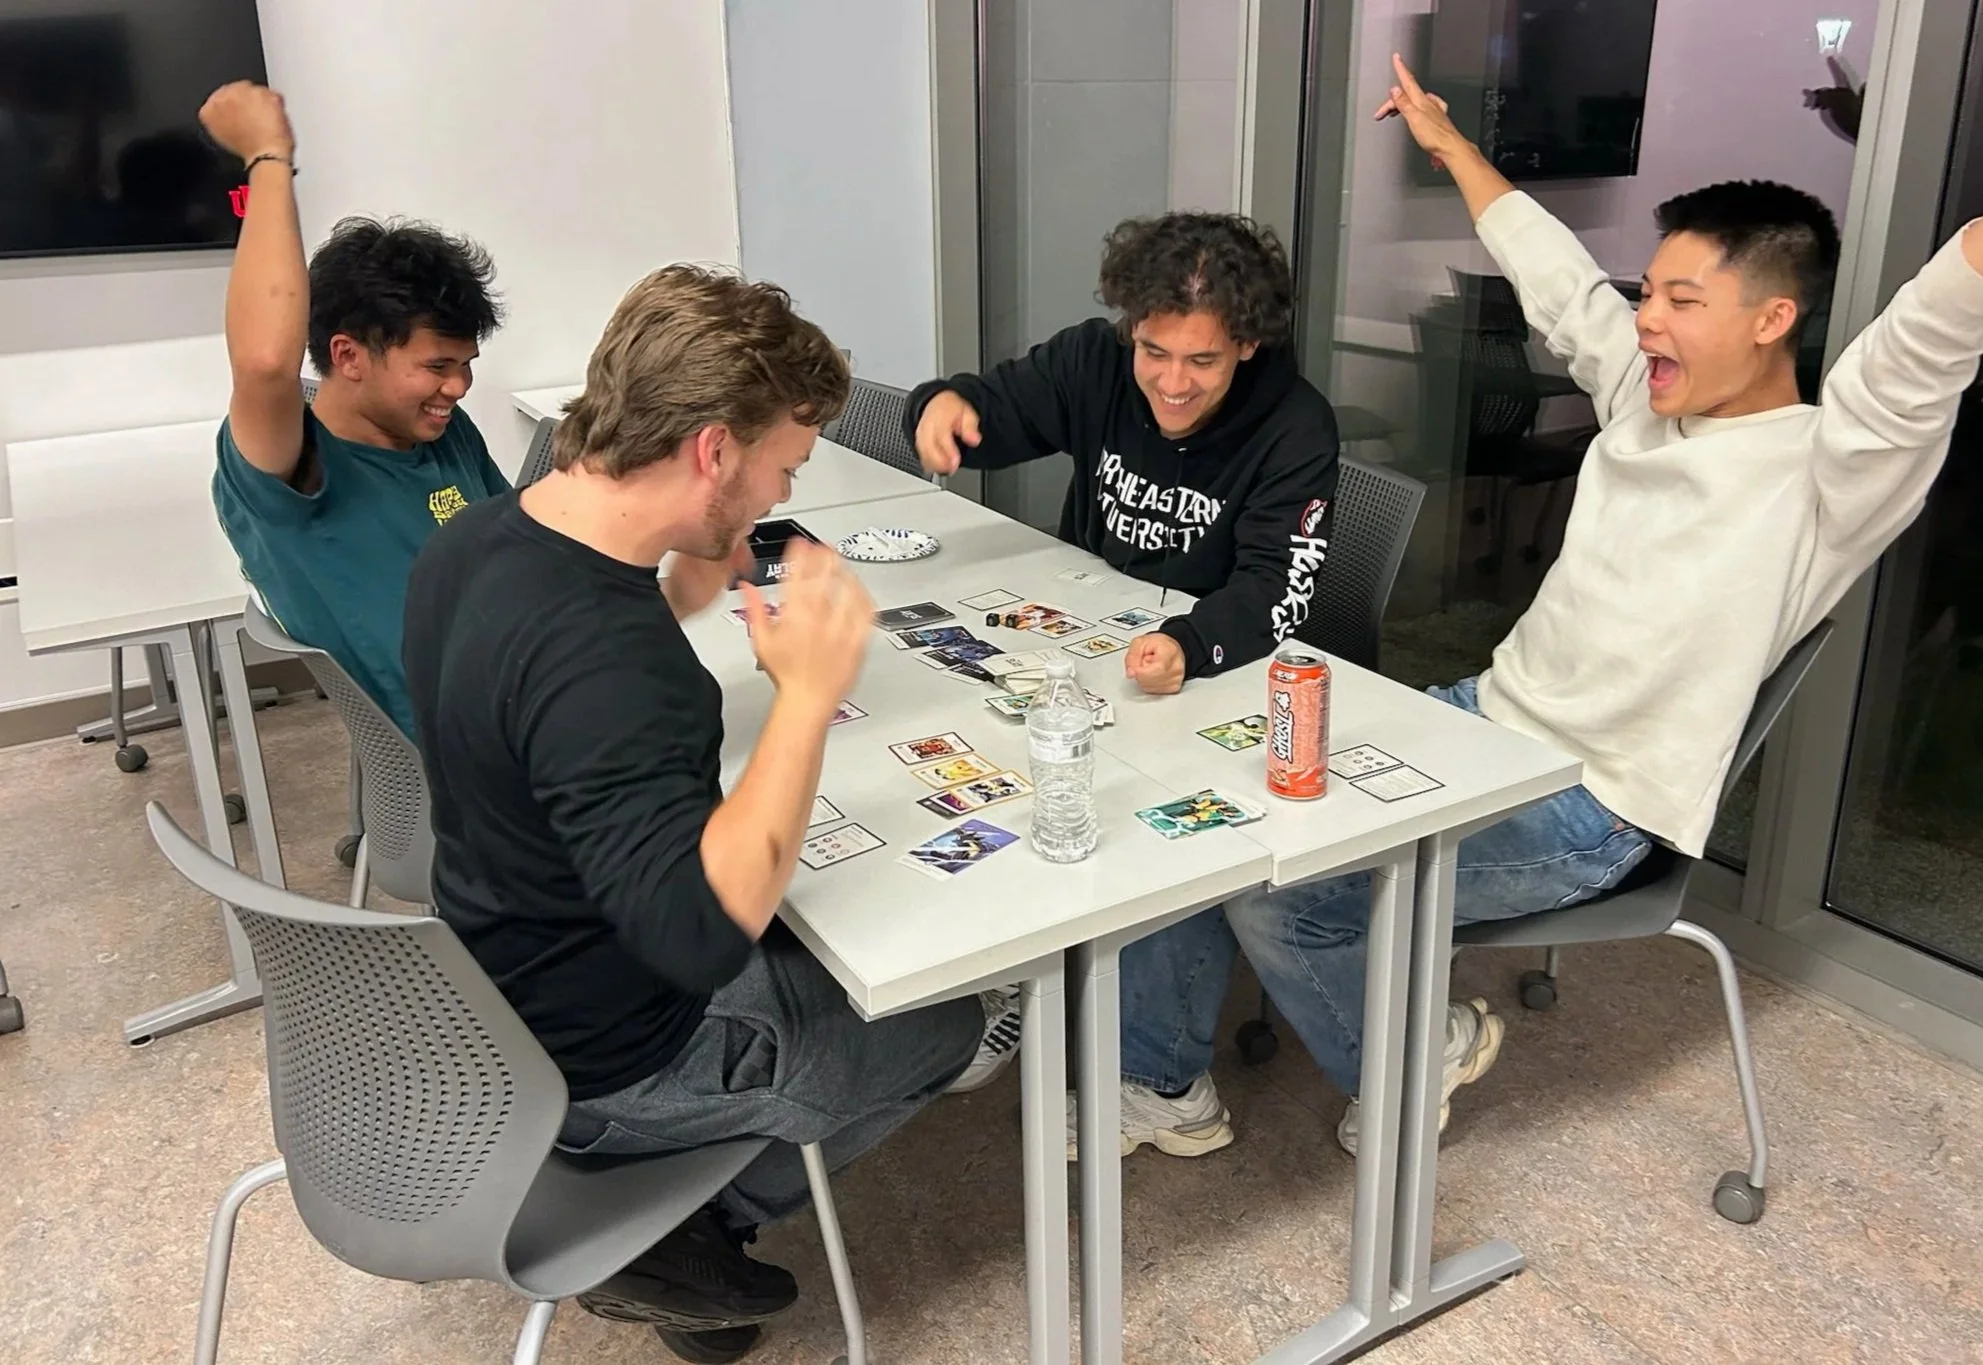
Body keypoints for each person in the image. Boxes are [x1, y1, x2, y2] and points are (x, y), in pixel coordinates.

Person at [1095, 53, 1983, 1162]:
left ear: (1769, 317)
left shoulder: (1832, 466)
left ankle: (1420, 1057)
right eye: (1646, 291)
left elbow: (1944, 309)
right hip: (1481, 718)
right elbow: (1555, 280)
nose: (1644, 319)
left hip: (1597, 803)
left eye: (1680, 300)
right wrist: (1448, 144)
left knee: (1284, 899)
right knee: (1194, 797)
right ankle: (1163, 1086)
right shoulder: (1644, 406)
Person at [402, 264, 983, 1363]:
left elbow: (552, 742)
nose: (775, 501)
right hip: (611, 1060)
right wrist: (807, 696)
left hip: (492, 992)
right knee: (946, 1019)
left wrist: (681, 588)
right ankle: (677, 1230)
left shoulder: (474, 541)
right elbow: (701, 935)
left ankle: (677, 1228)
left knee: (832, 946)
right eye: (778, 470)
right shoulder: (610, 666)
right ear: (712, 449)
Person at [907, 211, 1341, 698]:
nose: (1173, 384)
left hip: (1210, 667)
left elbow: (1275, 584)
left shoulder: (1296, 426)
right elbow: (994, 412)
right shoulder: (1093, 360)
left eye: (1202, 361)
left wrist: (1192, 644)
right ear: (1133, 326)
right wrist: (942, 406)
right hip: (1081, 630)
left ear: (1247, 344)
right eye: (1154, 353)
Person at [202, 80, 506, 740]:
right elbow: (263, 363)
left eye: (466, 366)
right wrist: (268, 155)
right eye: (436, 366)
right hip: (475, 761)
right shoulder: (293, 471)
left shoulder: (441, 431)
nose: (457, 387)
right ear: (349, 355)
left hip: (528, 685)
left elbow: (517, 549)